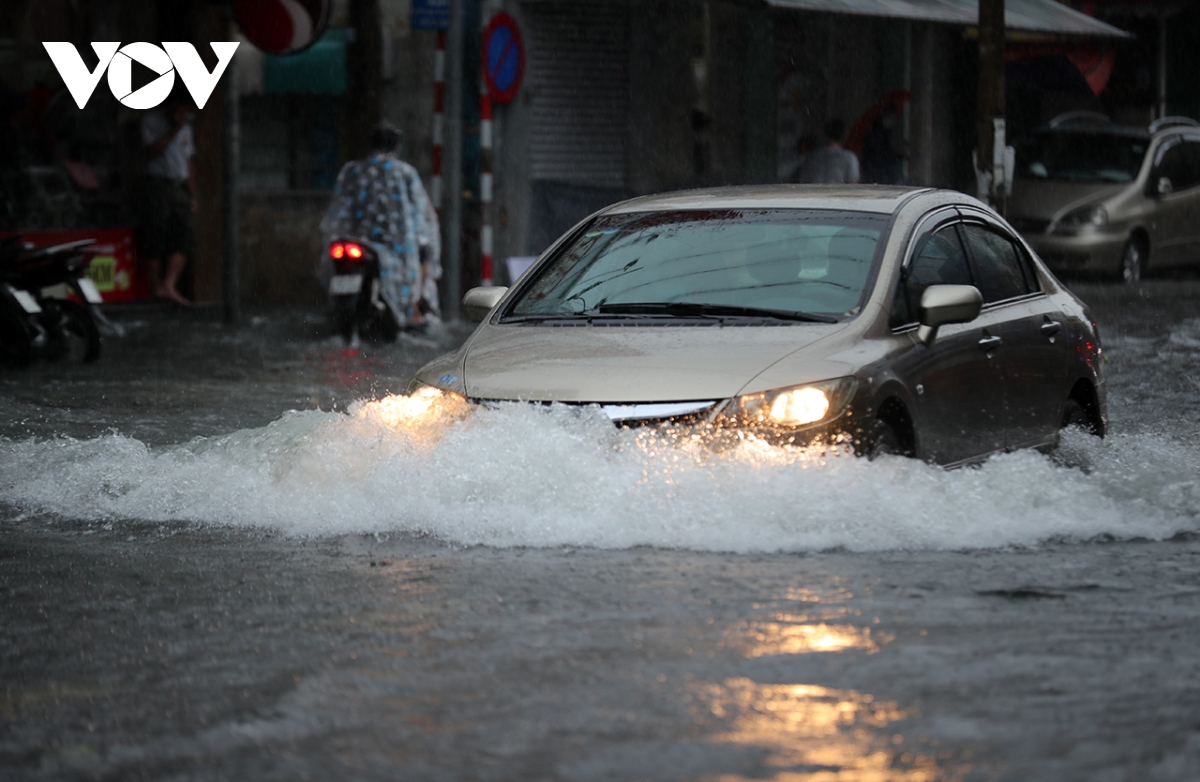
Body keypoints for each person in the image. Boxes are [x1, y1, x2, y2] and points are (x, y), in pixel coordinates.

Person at [319, 123, 441, 328]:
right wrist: (424, 238)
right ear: (396, 147)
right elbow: (422, 213)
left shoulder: (351, 170)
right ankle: (411, 309)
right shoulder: (405, 172)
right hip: (394, 246)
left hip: (352, 239)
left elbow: (338, 208)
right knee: (423, 254)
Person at [139, 94, 196, 305]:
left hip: (178, 186)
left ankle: (169, 284)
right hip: (158, 184)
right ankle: (155, 288)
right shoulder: (152, 122)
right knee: (155, 235)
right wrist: (173, 129)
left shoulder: (187, 128)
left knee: (186, 236)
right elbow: (151, 151)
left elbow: (189, 162)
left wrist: (193, 195)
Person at [797, 118, 860, 185]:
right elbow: (852, 185)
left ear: (824, 135)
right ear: (845, 137)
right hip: (836, 195)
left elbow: (803, 181)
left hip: (813, 194)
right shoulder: (850, 158)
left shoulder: (812, 156)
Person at [861, 104, 905, 185]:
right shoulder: (876, 134)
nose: (892, 120)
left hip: (880, 172)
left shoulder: (884, 133)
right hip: (879, 172)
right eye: (891, 117)